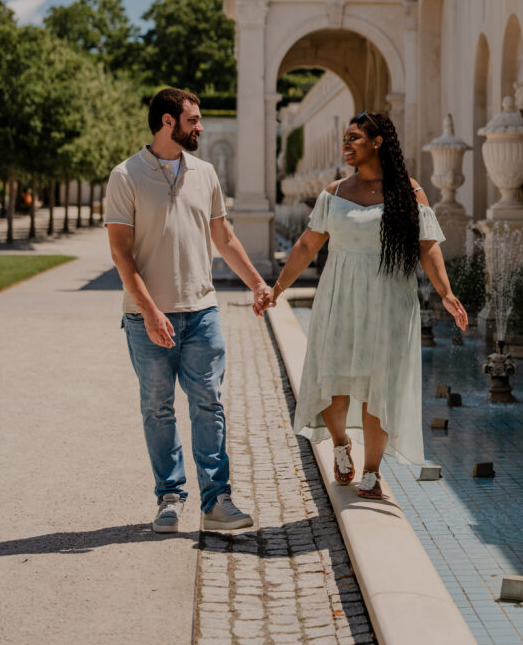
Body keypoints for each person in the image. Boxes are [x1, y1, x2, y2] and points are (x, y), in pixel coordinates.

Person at [264, 110, 467, 498]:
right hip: (340, 296)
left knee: (380, 386)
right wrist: (277, 289)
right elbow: (307, 245)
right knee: (333, 379)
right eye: (345, 137)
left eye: (355, 137)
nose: (347, 144)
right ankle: (341, 444)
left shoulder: (408, 191)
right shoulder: (335, 192)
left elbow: (427, 247)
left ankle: (372, 470)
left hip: (390, 300)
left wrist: (446, 292)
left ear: (378, 142)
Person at [105, 87, 272, 533]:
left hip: (202, 312)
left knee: (209, 405)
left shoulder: (206, 173)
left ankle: (217, 502)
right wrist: (150, 310)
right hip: (146, 318)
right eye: (193, 120)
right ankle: (170, 498)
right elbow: (122, 254)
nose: (201, 127)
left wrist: (257, 283)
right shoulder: (126, 176)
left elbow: (225, 238)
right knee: (158, 409)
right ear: (167, 122)